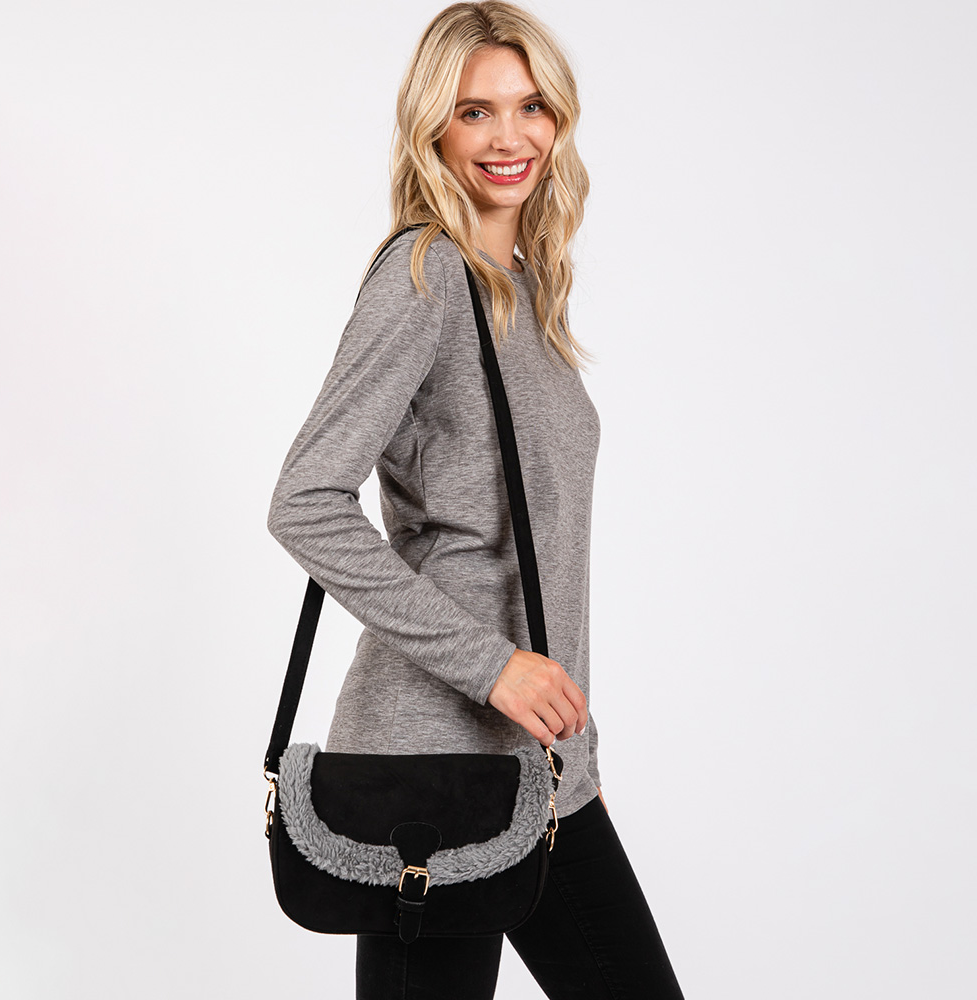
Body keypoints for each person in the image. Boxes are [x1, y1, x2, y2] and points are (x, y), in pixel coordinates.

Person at [267, 3, 686, 997]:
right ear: (434, 129)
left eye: (530, 106)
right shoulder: (424, 276)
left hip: (537, 769)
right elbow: (304, 501)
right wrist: (494, 668)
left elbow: (541, 556)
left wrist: (575, 759)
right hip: (431, 768)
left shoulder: (523, 287)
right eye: (474, 111)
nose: (509, 137)